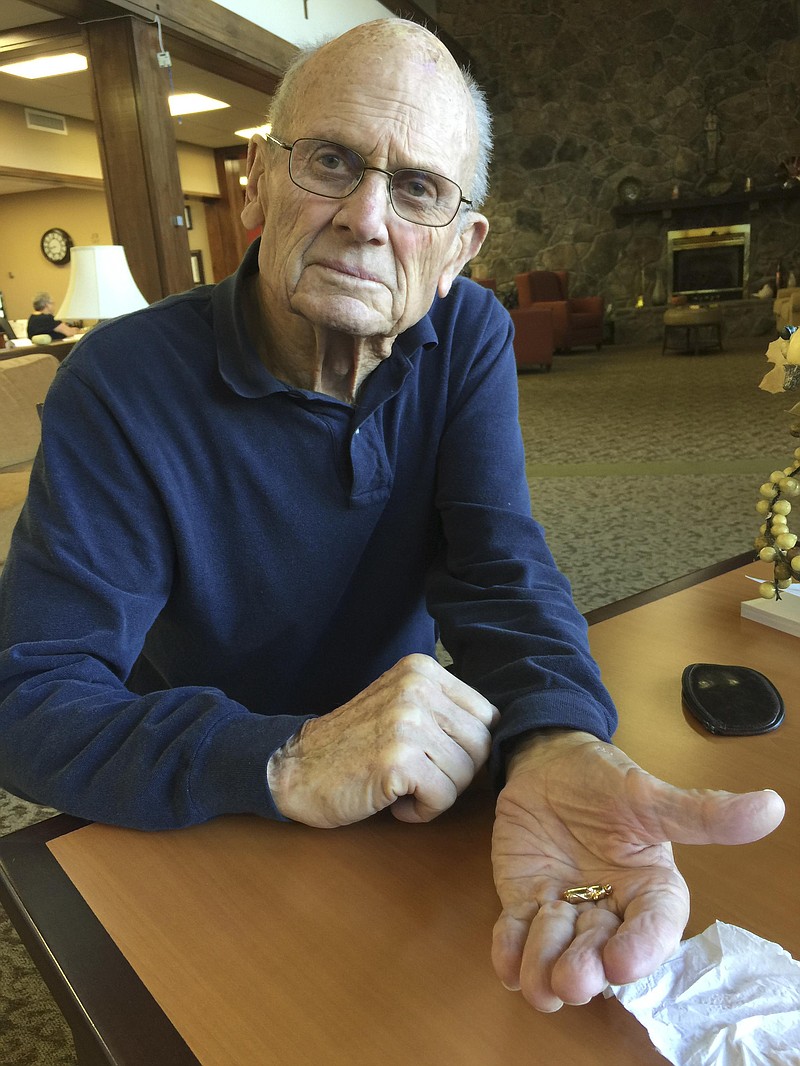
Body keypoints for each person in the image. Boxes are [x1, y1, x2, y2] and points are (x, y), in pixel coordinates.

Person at [0, 19, 784, 1013]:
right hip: (201, 789)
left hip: (407, 778)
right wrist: (283, 755)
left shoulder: (467, 333)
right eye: (330, 161)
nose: (366, 218)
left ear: (460, 245)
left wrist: (556, 740)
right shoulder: (121, 378)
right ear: (255, 180)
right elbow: (27, 699)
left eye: (416, 187)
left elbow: (498, 565)